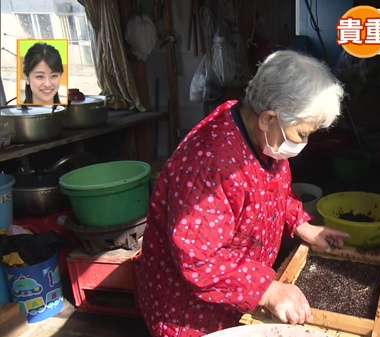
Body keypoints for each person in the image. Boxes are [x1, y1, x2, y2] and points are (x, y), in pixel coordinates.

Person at [135, 50, 349, 337]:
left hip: (235, 297)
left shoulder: (259, 133)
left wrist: (301, 225)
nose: (304, 143)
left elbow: (274, 193)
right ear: (268, 118)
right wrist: (267, 290)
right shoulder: (210, 163)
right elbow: (198, 258)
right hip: (188, 312)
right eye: (301, 133)